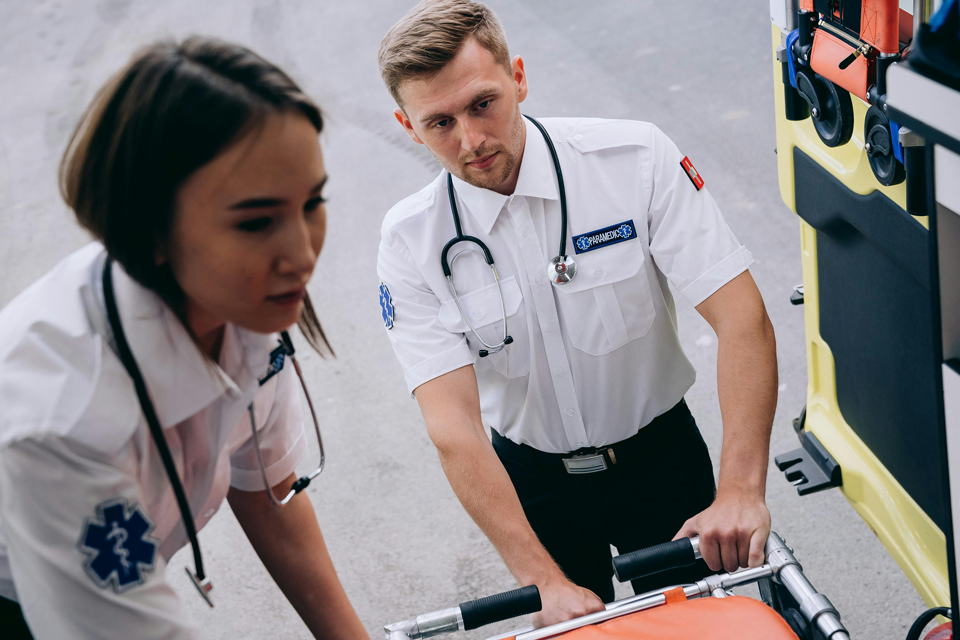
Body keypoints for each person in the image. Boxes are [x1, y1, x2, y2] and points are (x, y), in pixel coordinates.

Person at [375, 0, 777, 628]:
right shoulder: (410, 242)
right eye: (440, 123)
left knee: (710, 628)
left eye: (484, 104)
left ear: (519, 78)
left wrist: (741, 490)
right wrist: (540, 579)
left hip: (661, 465)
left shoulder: (634, 160)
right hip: (534, 486)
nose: (471, 140)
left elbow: (741, 317)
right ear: (407, 126)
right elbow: (452, 424)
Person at [0, 38, 368, 639]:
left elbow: (268, 494)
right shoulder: (60, 419)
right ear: (149, 229)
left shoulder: (244, 310)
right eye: (256, 222)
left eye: (313, 203)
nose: (302, 255)